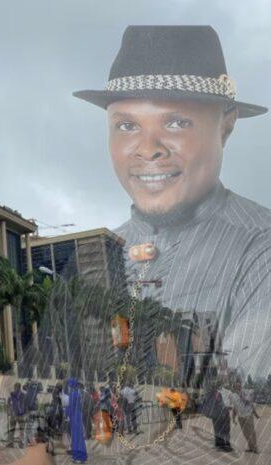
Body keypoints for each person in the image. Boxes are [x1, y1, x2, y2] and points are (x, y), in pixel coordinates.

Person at [74, 24, 271, 391]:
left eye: (177, 122)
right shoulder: (105, 252)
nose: (148, 148)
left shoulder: (260, 246)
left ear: (226, 127)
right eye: (127, 125)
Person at [201, 382, 233, 452]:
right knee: (217, 431)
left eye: (211, 387)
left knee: (223, 431)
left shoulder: (217, 394)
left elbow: (220, 404)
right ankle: (219, 445)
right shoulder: (211, 394)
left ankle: (226, 447)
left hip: (222, 415)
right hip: (216, 416)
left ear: (214, 388)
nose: (210, 389)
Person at [230, 380, 260, 454]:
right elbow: (235, 408)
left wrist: (256, 414)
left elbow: (248, 402)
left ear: (241, 385)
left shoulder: (246, 392)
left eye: (239, 385)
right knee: (245, 433)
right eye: (236, 386)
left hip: (248, 415)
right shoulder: (233, 396)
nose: (238, 387)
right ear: (234, 387)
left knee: (252, 432)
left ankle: (255, 448)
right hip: (240, 417)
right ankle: (251, 448)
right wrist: (233, 418)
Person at [66, 378, 87, 464]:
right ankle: (78, 456)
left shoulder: (73, 394)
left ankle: (78, 457)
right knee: (78, 437)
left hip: (74, 416)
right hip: (77, 415)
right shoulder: (78, 393)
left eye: (69, 385)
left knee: (76, 437)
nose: (68, 386)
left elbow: (70, 406)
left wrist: (67, 414)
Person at [7, 382, 26, 448]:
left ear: (15, 387)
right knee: (21, 430)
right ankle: (21, 444)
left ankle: (10, 443)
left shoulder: (11, 395)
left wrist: (9, 411)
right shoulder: (23, 395)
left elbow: (8, 403)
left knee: (12, 429)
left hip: (13, 415)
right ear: (20, 387)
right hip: (21, 415)